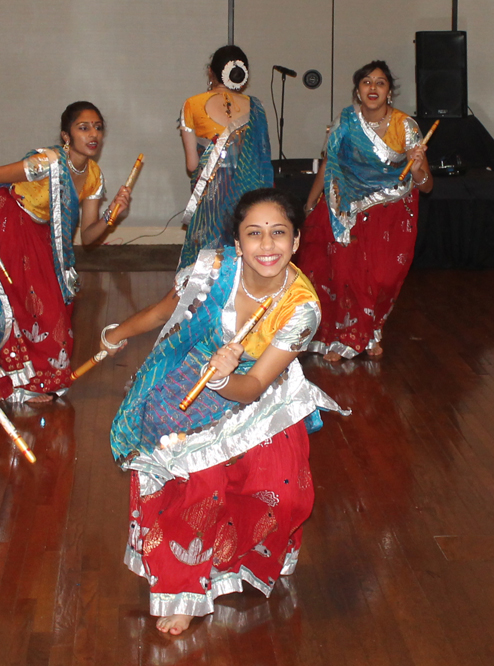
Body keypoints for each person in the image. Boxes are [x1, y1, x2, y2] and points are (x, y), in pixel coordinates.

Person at [100, 188, 349, 636]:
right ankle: (182, 589)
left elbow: (253, 386)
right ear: (237, 243)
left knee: (282, 493)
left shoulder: (301, 308)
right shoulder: (213, 271)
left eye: (279, 234)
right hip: (189, 377)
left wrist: (220, 380)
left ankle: (250, 556)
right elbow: (162, 314)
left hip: (261, 389)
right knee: (199, 485)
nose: (267, 245)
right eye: (254, 234)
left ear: (295, 243)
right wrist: (116, 333)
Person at [296, 60, 433, 362]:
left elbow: (425, 186)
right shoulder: (345, 121)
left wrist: (419, 165)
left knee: (382, 278)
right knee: (342, 274)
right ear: (358, 91)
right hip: (345, 207)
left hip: (390, 211)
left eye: (380, 82)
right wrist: (309, 205)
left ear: (389, 92)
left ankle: (372, 330)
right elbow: (328, 167)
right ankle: (340, 338)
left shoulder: (406, 127)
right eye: (366, 82)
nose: (373, 88)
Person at [0, 101, 131, 403]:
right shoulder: (45, 162)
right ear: (66, 136)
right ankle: (21, 383)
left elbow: (88, 236)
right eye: (83, 127)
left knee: (55, 309)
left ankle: (38, 378)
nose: (92, 134)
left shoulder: (94, 175)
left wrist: (112, 214)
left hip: (41, 236)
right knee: (30, 307)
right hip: (11, 224)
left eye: (97, 127)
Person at [177, 45, 274, 270]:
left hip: (211, 200)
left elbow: (192, 165)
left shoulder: (192, 104)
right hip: (247, 198)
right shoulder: (256, 108)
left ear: (211, 72)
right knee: (243, 253)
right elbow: (263, 161)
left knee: (207, 261)